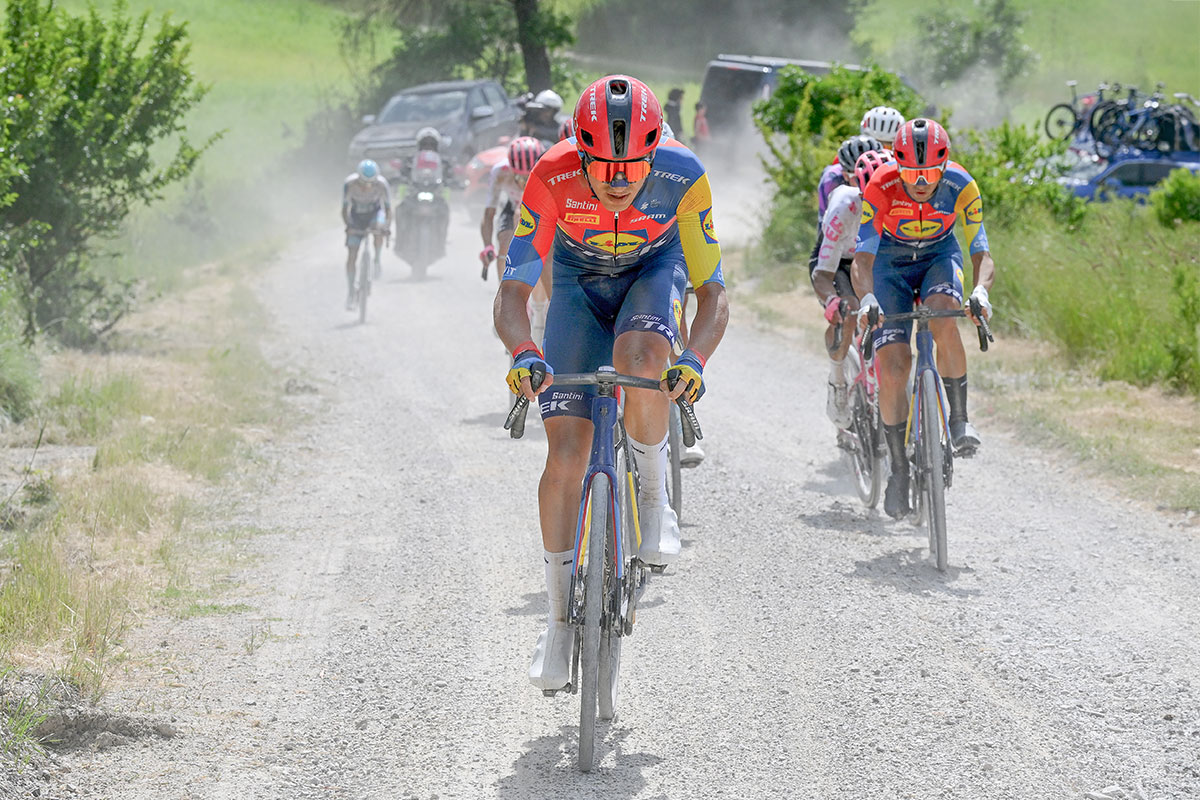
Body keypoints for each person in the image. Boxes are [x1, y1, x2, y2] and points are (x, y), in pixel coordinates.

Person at [494, 75, 728, 691]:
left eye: (632, 167)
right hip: (576, 286)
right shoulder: (550, 175)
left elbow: (713, 296)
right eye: (603, 167)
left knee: (643, 356)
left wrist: (695, 361)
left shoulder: (683, 176)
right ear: (579, 151)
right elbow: (513, 292)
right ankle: (556, 622)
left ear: (655, 153)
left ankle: (654, 497)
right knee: (565, 454)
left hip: (654, 270)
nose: (619, 179)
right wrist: (523, 351)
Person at [851, 119, 995, 519]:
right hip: (888, 266)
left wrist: (980, 290)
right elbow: (862, 258)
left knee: (944, 323)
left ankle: (960, 421)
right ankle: (899, 468)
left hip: (938, 258)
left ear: (944, 166)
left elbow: (981, 251)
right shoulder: (879, 185)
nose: (920, 181)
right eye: (911, 173)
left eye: (930, 172)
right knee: (894, 364)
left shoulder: (962, 186)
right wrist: (865, 299)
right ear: (897, 165)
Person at [813, 149, 889, 427]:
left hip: (874, 261)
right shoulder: (844, 207)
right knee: (848, 314)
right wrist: (834, 302)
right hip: (839, 263)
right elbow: (822, 274)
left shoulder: (897, 205)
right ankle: (837, 382)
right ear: (858, 189)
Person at [341, 159, 392, 309]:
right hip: (356, 216)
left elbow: (388, 210)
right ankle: (351, 291)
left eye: (371, 183)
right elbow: (344, 209)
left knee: (378, 228)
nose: (367, 187)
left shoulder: (382, 184)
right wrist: (348, 226)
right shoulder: (349, 184)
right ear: (358, 178)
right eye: (363, 183)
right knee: (352, 254)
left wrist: (386, 227)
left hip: (374, 214)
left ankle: (377, 259)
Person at [395, 127, 449, 259]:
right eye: (425, 144)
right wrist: (399, 177)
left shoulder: (443, 161)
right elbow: (402, 172)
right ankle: (399, 240)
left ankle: (441, 241)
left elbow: (451, 174)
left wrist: (455, 180)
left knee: (445, 210)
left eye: (431, 144)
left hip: (435, 194)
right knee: (400, 210)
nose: (428, 146)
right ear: (419, 145)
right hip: (414, 192)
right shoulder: (410, 159)